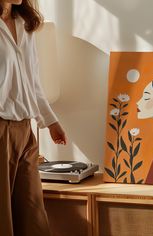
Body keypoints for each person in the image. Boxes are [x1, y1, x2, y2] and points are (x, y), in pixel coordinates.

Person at [0, 0, 67, 235]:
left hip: (25, 129)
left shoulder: (24, 23)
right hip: (1, 128)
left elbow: (33, 80)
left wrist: (50, 121)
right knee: (3, 218)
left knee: (32, 214)